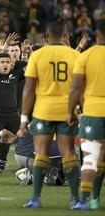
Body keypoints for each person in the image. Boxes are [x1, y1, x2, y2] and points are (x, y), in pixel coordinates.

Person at [19, 21, 80, 209]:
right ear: (65, 34)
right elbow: (79, 87)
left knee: (41, 154)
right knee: (69, 153)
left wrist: (23, 119)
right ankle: (76, 200)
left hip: (43, 111)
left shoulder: (37, 55)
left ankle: (35, 199)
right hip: (67, 111)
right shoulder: (76, 55)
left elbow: (29, 88)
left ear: (46, 34)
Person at [68, 18, 105, 210]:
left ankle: (86, 200)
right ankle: (97, 199)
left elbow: (75, 88)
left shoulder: (85, 56)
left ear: (96, 34)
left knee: (91, 157)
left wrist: (71, 112)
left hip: (94, 112)